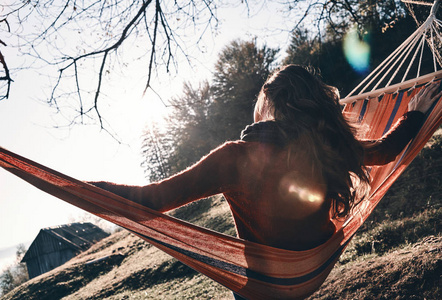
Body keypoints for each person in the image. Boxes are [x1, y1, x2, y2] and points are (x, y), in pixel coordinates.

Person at [89, 65, 440, 296]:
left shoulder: (236, 159)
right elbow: (385, 150)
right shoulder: (329, 145)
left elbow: (150, 200)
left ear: (268, 106)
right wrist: (415, 114)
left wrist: (82, 189)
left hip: (261, 287)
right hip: (308, 269)